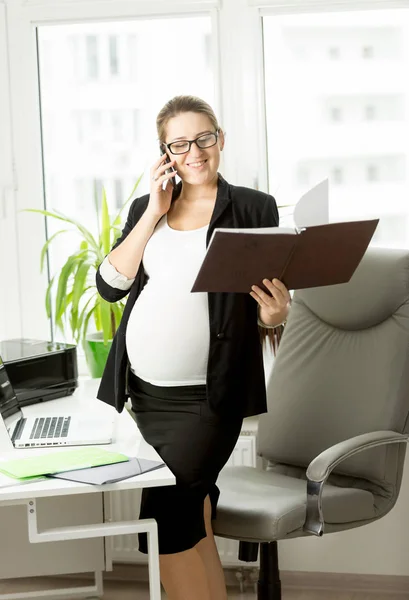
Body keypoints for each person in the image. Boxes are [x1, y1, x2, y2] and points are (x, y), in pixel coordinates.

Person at [95, 95, 291, 600]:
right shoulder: (148, 209)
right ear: (165, 153)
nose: (195, 152)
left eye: (204, 138)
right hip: (146, 395)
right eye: (179, 143)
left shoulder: (252, 207)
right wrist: (152, 212)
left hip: (210, 397)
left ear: (220, 139)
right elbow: (111, 286)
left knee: (168, 525)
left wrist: (275, 316)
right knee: (192, 517)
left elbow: (266, 307)